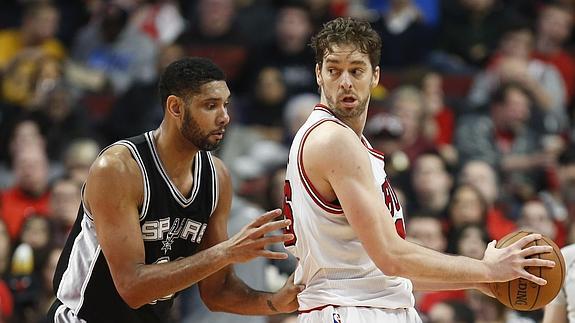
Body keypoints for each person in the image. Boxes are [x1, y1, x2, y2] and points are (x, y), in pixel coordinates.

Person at [283, 17, 555, 323]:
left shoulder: (340, 142)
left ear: (375, 76)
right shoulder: (334, 140)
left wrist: (479, 280)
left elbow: (380, 271)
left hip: (362, 306)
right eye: (333, 70)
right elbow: (391, 257)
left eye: (356, 70)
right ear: (318, 75)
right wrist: (486, 268)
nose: (345, 81)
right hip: (351, 311)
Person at [47, 57, 302, 322]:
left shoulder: (217, 177)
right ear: (176, 107)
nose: (224, 116)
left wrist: (275, 301)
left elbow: (217, 291)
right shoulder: (119, 169)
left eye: (225, 105)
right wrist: (225, 252)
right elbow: (132, 288)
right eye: (211, 106)